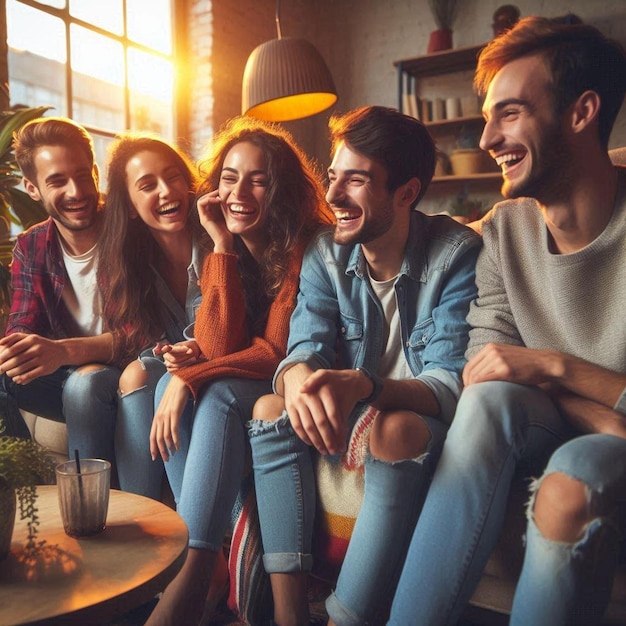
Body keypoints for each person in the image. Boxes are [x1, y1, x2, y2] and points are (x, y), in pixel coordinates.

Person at [389, 17, 626, 626]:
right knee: (490, 398)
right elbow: (488, 369)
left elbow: (525, 367)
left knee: (573, 479)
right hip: (573, 419)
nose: (488, 135)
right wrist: (601, 411)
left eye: (510, 113)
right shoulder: (501, 231)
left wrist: (553, 364)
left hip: (588, 449)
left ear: (582, 112)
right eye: (488, 116)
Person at [248, 105, 481, 626]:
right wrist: (301, 382)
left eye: (355, 181)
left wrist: (364, 384)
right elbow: (301, 348)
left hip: (409, 415)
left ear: (406, 192)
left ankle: (343, 619)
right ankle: (289, 617)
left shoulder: (456, 254)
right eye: (333, 177)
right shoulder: (325, 254)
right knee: (270, 405)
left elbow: (447, 384)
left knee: (393, 430)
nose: (332, 197)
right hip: (350, 407)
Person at [143, 116, 333, 626]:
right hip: (261, 375)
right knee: (166, 379)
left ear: (284, 189)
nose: (238, 191)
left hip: (310, 379)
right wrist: (221, 246)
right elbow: (215, 343)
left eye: (258, 178)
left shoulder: (308, 246)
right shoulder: (224, 247)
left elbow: (275, 351)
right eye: (229, 176)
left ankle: (193, 573)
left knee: (217, 390)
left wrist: (192, 378)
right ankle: (205, 566)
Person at [97, 132, 211, 500]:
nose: (166, 190)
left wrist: (191, 358)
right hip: (171, 362)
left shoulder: (217, 239)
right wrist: (168, 354)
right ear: (130, 205)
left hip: (224, 359)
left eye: (173, 176)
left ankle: (189, 529)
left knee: (154, 378)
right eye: (148, 185)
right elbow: (140, 340)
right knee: (137, 372)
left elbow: (243, 327)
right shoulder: (130, 262)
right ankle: (140, 512)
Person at [0, 117, 121, 462]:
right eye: (57, 181)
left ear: (95, 172)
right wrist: (15, 350)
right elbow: (22, 324)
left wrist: (62, 351)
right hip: (68, 374)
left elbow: (142, 334)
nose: (76, 191)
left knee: (87, 385)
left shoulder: (126, 228)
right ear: (32, 188)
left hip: (127, 371)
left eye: (83, 176)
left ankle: (91, 503)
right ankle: (27, 485)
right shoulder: (31, 245)